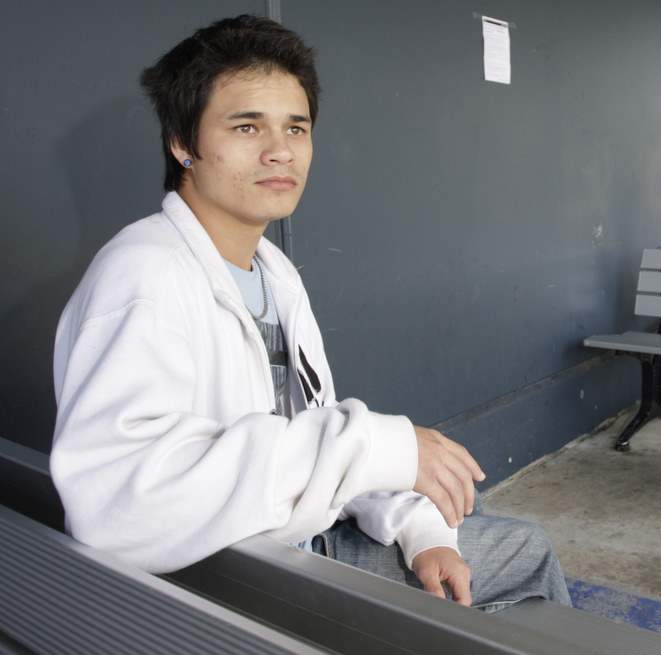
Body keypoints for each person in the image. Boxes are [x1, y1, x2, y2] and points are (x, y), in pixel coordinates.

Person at [49, 14, 570, 612]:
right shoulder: (143, 274)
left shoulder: (273, 272)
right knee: (526, 555)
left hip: (288, 545)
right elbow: (116, 505)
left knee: (481, 544)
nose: (280, 151)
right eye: (247, 126)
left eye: (296, 128)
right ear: (183, 142)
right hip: (223, 584)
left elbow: (314, 436)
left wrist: (417, 531)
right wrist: (378, 447)